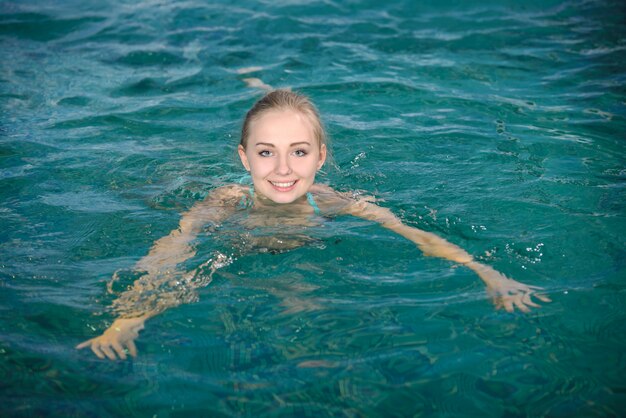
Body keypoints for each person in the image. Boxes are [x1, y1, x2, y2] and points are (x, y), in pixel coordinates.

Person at [77, 89, 550, 360]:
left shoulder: (335, 202)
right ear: (244, 157)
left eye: (298, 152)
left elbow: (419, 236)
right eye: (267, 153)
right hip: (243, 245)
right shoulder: (225, 200)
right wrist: (127, 322)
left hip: (300, 247)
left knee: (304, 308)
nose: (283, 170)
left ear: (320, 157)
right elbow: (175, 252)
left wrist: (489, 273)